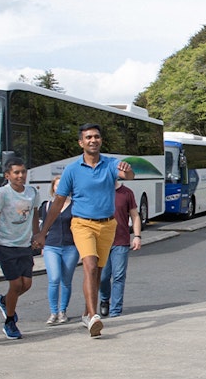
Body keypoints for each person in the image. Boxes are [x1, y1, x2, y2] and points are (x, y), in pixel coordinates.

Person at [32, 123, 135, 338]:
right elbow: (59, 202)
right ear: (81, 142)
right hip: (82, 223)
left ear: (100, 140)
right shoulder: (71, 170)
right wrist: (43, 232)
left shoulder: (110, 163)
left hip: (108, 224)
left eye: (96, 137)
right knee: (89, 264)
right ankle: (93, 316)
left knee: (97, 270)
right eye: (88, 137)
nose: (93, 140)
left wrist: (128, 171)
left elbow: (128, 176)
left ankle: (87, 312)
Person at [0, 156, 38, 340]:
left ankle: (5, 301)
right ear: (8, 175)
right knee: (15, 284)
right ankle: (9, 321)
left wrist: (37, 236)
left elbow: (34, 214)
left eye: (23, 172)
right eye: (16, 172)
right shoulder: (2, 193)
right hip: (5, 244)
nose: (20, 175)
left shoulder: (31, 192)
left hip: (24, 244)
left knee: (27, 284)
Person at [97, 182, 142, 318]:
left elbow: (135, 216)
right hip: (102, 240)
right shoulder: (99, 190)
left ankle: (115, 311)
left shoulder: (126, 193)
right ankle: (105, 299)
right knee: (103, 277)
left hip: (121, 240)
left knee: (119, 276)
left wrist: (137, 236)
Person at [40, 176, 78, 325]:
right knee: (54, 279)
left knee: (66, 281)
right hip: (52, 246)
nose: (60, 187)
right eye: (57, 185)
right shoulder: (47, 205)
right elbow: (44, 226)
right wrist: (42, 244)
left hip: (70, 246)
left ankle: (63, 311)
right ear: (53, 188)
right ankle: (53, 312)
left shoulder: (74, 205)